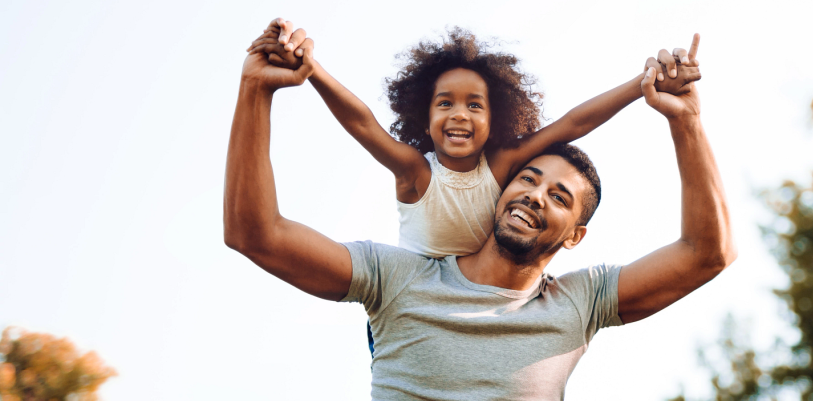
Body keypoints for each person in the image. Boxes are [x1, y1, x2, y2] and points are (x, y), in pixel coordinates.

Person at [223, 25, 734, 399]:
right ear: (502, 190)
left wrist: (686, 120)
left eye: (559, 197)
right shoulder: (397, 278)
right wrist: (256, 90)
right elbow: (257, 233)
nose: (536, 194)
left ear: (576, 236)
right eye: (529, 180)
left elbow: (707, 254)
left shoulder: (580, 302)